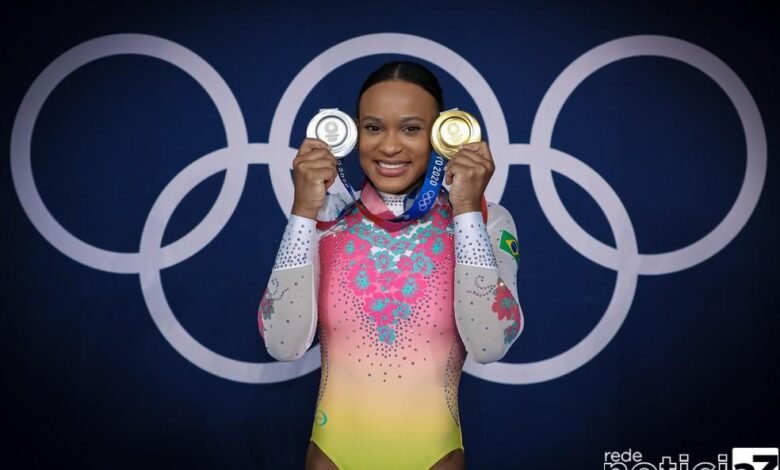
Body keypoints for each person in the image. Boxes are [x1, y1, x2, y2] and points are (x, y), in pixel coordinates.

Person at [258, 61, 524, 470]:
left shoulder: (487, 219)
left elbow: (490, 344)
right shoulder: (324, 220)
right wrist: (302, 213)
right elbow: (282, 344)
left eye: (411, 128)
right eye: (374, 127)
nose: (389, 147)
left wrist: (467, 208)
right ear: (353, 131)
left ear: (442, 134)